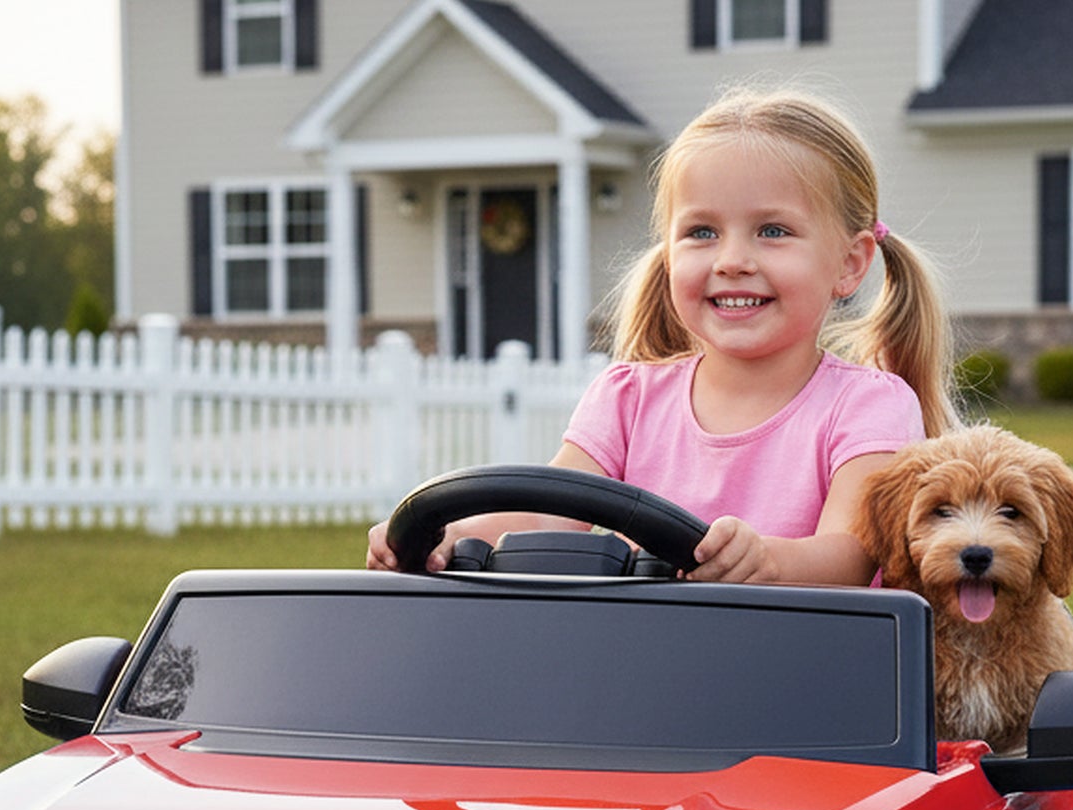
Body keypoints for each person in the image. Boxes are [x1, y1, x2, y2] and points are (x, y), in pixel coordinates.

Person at [366, 87, 955, 581]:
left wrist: (767, 560)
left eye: (772, 231)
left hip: (802, 688)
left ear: (850, 264)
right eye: (702, 232)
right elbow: (546, 517)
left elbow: (852, 556)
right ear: (669, 255)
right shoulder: (627, 398)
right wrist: (441, 534)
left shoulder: (868, 406)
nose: (732, 260)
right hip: (643, 680)